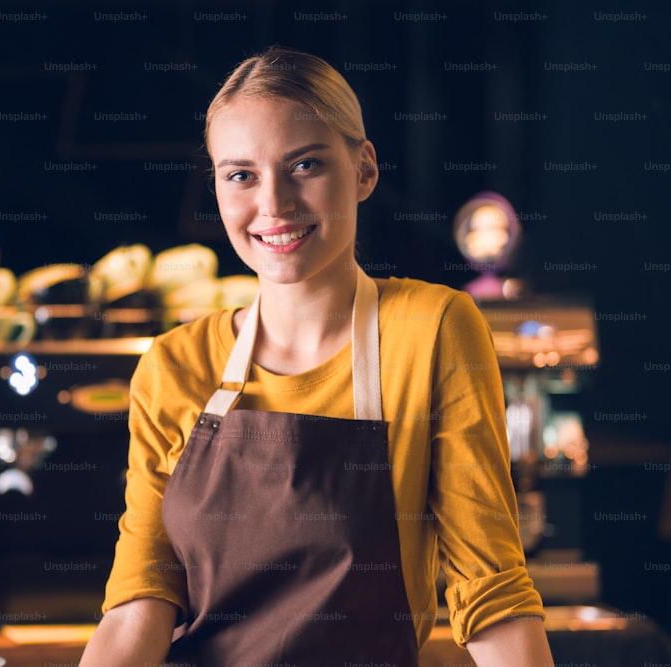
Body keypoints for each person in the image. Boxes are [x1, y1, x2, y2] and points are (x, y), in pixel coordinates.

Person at [79, 46, 554, 667]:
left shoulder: (431, 330)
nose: (273, 204)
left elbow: (491, 593)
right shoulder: (175, 364)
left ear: (364, 170)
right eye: (241, 174)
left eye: (304, 165)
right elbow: (139, 605)